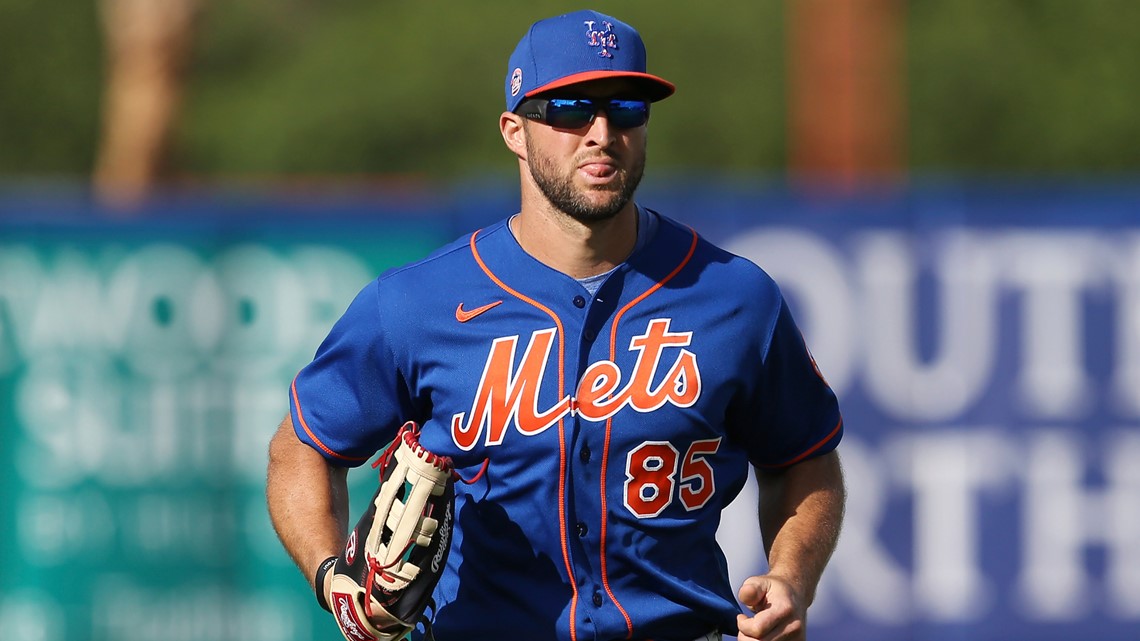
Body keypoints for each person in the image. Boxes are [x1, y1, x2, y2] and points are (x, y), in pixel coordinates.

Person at [267, 9, 846, 641]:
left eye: (626, 108)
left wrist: (792, 575)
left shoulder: (734, 297)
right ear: (514, 131)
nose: (601, 132)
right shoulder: (417, 304)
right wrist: (330, 576)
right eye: (571, 109)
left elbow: (803, 459)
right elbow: (302, 448)